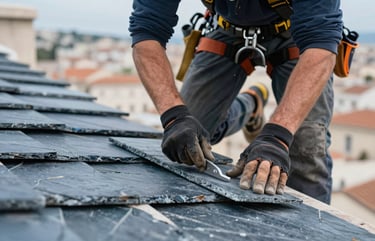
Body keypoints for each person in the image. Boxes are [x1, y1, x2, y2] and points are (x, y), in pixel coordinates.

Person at [129, 0, 343, 204]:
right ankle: (251, 104)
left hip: (295, 33)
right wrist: (174, 116)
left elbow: (320, 45)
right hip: (226, 28)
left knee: (306, 147)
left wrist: (277, 136)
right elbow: (147, 33)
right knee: (188, 140)